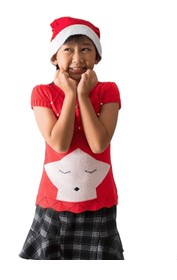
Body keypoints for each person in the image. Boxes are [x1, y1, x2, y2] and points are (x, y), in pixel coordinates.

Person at [20, 16, 124, 260]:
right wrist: (70, 95)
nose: (77, 58)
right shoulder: (42, 92)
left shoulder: (108, 90)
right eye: (68, 50)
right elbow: (59, 143)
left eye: (86, 49)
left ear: (97, 57)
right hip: (54, 201)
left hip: (99, 200)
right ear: (55, 57)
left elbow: (99, 144)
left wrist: (84, 96)